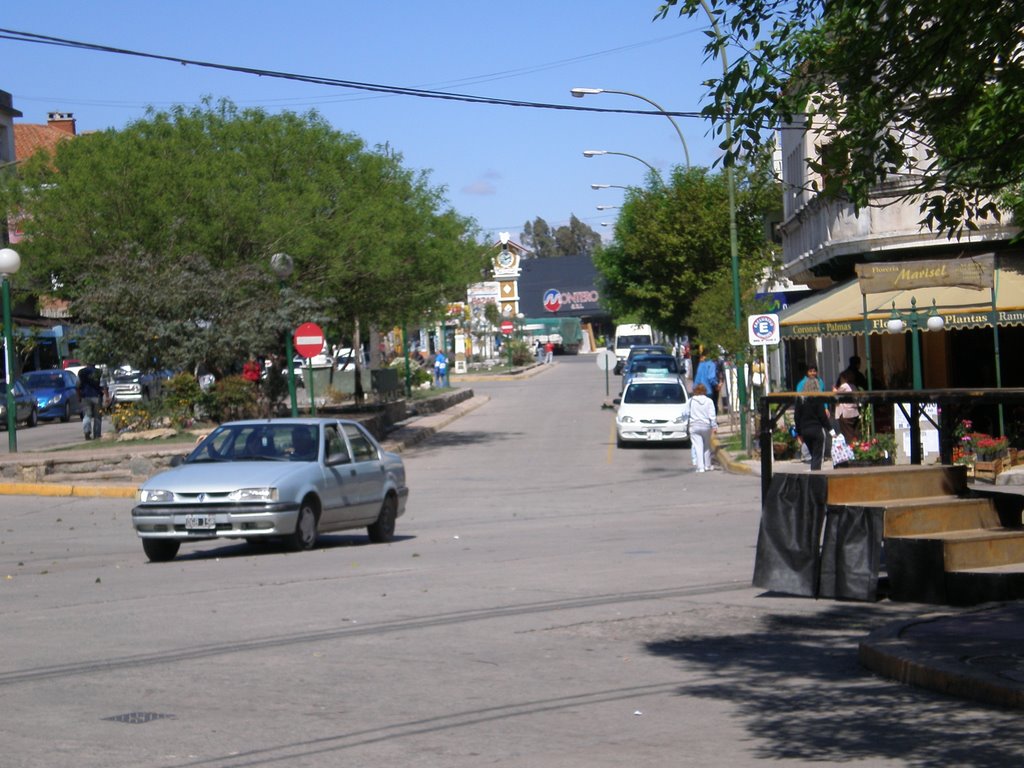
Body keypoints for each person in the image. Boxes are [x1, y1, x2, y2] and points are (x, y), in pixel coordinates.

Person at [794, 377, 832, 470]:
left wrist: (799, 433)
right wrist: (831, 430)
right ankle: (816, 480)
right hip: (817, 431)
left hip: (805, 431)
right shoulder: (817, 398)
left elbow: (796, 417)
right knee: (817, 458)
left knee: (813, 456)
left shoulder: (801, 400)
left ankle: (813, 477)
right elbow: (822, 417)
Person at [689, 383, 718, 472]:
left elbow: (685, 412)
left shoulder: (691, 401)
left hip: (694, 425)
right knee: (706, 446)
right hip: (706, 426)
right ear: (704, 391)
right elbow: (712, 415)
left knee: (698, 446)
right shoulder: (709, 401)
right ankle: (707, 465)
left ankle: (700, 467)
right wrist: (714, 426)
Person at [77, 364, 105, 440]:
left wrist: (79, 396)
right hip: (97, 396)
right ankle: (97, 435)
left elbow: (77, 385)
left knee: (86, 415)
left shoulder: (81, 372)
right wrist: (106, 395)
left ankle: (87, 431)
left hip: (85, 396)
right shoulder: (99, 372)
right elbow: (103, 384)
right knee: (97, 417)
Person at [833, 370, 860, 443]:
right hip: (854, 412)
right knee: (854, 433)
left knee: (848, 434)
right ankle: (857, 447)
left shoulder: (844, 386)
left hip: (846, 413)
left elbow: (836, 394)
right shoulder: (853, 386)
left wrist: (834, 389)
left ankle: (851, 449)